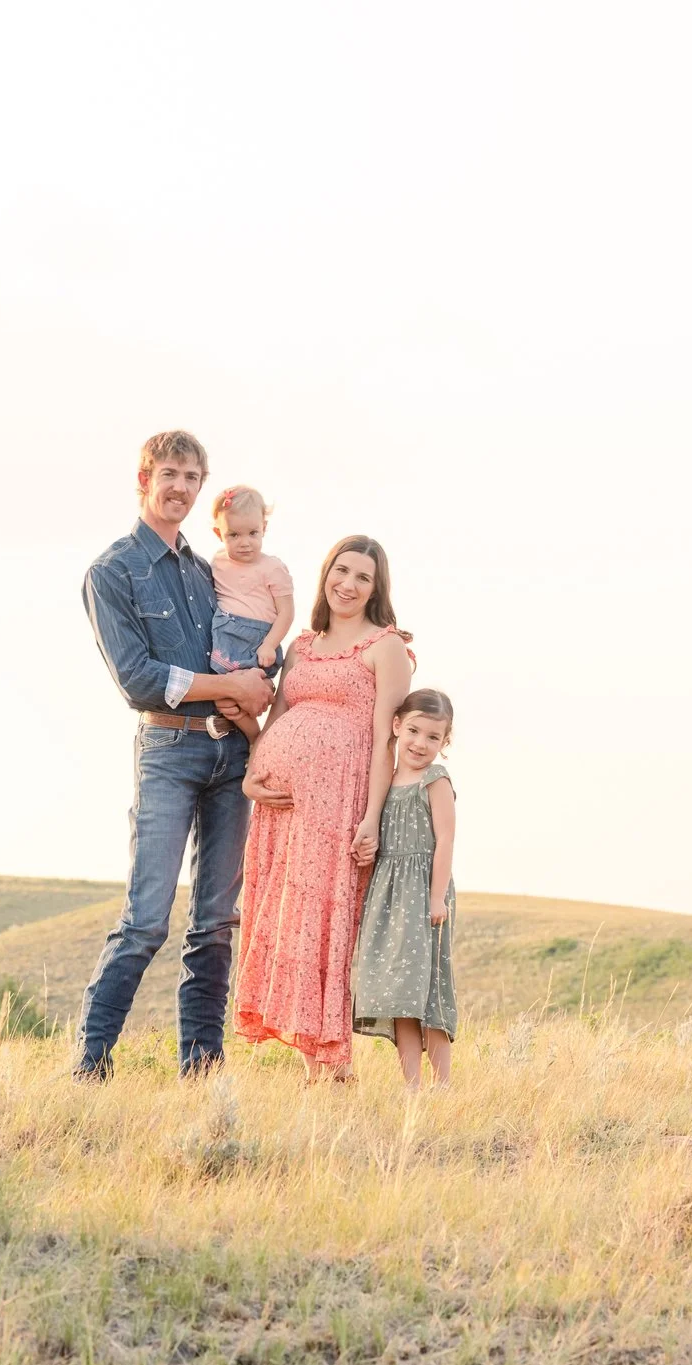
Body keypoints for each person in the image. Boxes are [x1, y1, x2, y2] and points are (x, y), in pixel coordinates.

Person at [76, 430, 276, 1080]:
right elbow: (138, 678)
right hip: (167, 751)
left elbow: (252, 640)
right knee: (146, 918)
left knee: (216, 920)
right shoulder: (112, 572)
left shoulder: (208, 569)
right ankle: (90, 1063)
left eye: (193, 477)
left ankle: (202, 1067)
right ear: (144, 479)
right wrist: (232, 687)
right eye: (170, 474)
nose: (181, 488)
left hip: (231, 760)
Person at [233, 535, 414, 1081]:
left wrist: (372, 817)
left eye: (363, 577)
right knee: (293, 922)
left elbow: (388, 740)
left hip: (340, 805)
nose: (349, 584)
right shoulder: (304, 646)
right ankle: (314, 1064)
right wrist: (251, 774)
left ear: (376, 588)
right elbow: (280, 716)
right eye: (342, 571)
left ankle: (334, 1065)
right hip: (282, 809)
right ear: (325, 575)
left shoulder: (387, 648)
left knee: (327, 921)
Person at [352, 689, 459, 1089]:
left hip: (424, 895)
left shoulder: (435, 779)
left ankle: (442, 1085)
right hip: (388, 897)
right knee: (399, 992)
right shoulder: (385, 779)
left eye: (433, 737)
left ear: (444, 743)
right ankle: (412, 1087)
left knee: (427, 991)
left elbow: (445, 839)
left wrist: (436, 898)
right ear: (397, 726)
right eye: (414, 731)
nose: (420, 743)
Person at [206, 486, 293, 675]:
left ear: (264, 528)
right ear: (218, 533)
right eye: (234, 535)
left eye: (253, 533)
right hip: (224, 638)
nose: (245, 542)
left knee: (251, 687)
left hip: (258, 641)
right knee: (224, 691)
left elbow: (286, 612)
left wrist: (270, 644)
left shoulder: (272, 568)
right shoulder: (218, 562)